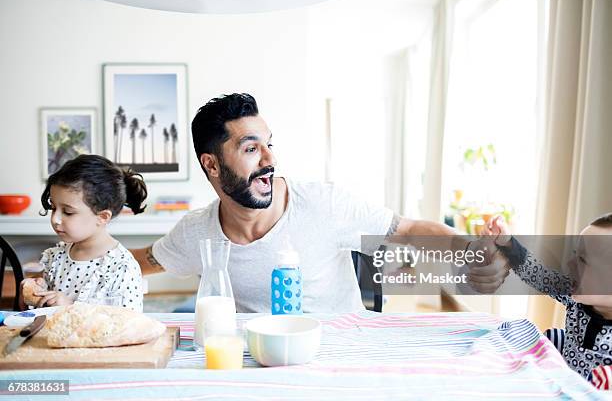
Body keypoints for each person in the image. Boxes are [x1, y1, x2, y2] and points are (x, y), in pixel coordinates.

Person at [131, 93, 509, 312]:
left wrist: (470, 248)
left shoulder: (324, 203)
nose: (269, 160)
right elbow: (136, 263)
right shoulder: (198, 232)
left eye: (269, 144)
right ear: (211, 165)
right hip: (261, 371)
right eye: (250, 148)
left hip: (342, 361)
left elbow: (406, 230)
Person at [483, 213, 612, 379]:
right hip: (563, 372)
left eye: (582, 259)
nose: (569, 263)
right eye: (575, 254)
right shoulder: (573, 294)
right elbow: (537, 274)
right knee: (547, 338)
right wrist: (508, 243)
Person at [19, 154, 148, 312]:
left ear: (102, 217)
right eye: (53, 208)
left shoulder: (121, 268)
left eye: (68, 212)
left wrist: (70, 308)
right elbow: (36, 312)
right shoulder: (55, 257)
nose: (55, 219)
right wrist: (37, 290)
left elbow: (128, 326)